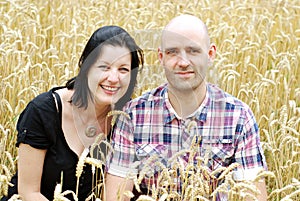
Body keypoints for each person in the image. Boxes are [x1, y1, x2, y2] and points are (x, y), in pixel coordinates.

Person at [105, 15, 268, 201]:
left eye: (193, 51)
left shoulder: (238, 117)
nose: (183, 62)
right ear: (161, 57)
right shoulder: (133, 115)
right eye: (173, 52)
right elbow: (116, 197)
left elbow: (253, 196)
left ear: (210, 54)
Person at [1, 25, 144, 201]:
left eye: (123, 69)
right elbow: (29, 192)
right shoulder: (44, 111)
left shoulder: (124, 123)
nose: (113, 79)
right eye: (104, 67)